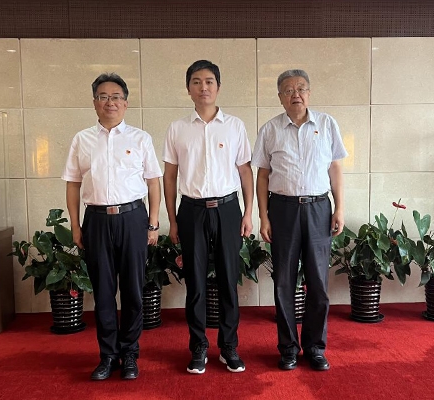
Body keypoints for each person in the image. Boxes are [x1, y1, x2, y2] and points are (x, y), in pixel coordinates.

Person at [62, 73, 162, 381]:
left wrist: (153, 223)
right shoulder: (82, 139)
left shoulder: (141, 138)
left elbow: (153, 182)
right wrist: (75, 226)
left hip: (133, 219)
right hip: (96, 220)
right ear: (94, 102)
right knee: (103, 292)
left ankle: (129, 353)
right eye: (103, 97)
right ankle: (108, 355)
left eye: (116, 97)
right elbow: (73, 183)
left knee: (132, 291)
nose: (110, 102)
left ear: (126, 103)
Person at [251, 69, 347, 372]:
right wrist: (263, 216)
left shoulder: (327, 124)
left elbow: (335, 169)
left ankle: (316, 347)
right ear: (280, 97)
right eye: (289, 90)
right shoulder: (270, 130)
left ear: (309, 92)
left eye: (301, 88)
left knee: (318, 282)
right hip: (283, 210)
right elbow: (262, 176)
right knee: (284, 282)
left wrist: (339, 208)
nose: (296, 94)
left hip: (319, 209)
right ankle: (288, 348)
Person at [163, 60, 254, 374]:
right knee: (196, 283)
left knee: (229, 280)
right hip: (191, 210)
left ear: (218, 87)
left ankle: (229, 347)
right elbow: (170, 176)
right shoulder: (177, 128)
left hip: (228, 210)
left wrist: (248, 213)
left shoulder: (235, 126)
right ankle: (198, 347)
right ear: (188, 88)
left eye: (209, 81)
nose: (204, 87)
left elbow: (245, 171)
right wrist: (172, 219)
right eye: (197, 82)